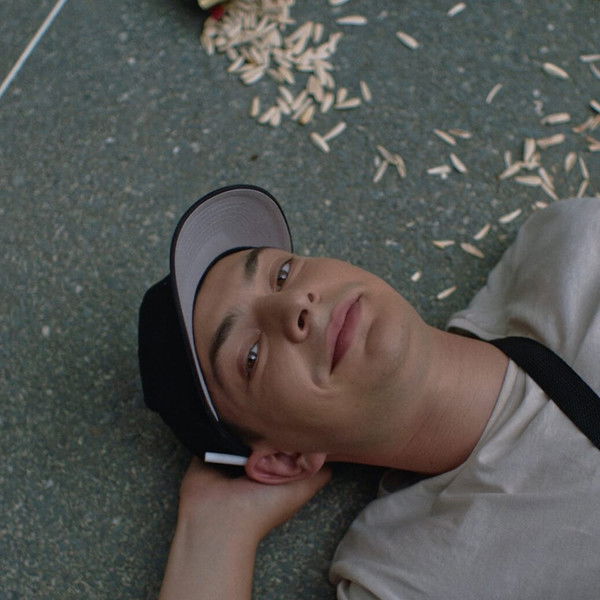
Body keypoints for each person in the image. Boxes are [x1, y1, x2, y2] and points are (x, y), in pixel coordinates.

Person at [138, 185, 600, 599]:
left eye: (281, 274)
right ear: (284, 459)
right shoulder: (411, 576)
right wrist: (216, 532)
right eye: (252, 355)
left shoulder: (572, 252)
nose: (295, 304)